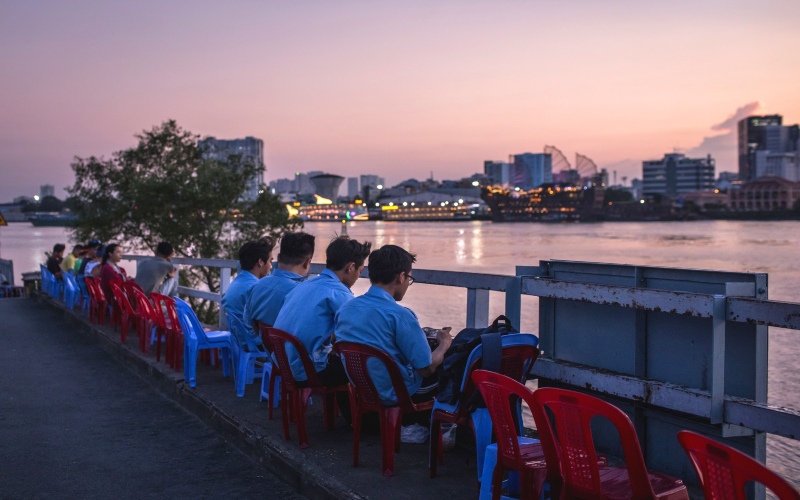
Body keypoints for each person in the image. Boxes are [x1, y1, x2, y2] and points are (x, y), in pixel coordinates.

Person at [334, 245, 452, 436]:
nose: (407, 284)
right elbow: (426, 368)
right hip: (397, 393)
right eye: (409, 279)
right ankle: (447, 432)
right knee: (452, 368)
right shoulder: (401, 315)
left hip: (362, 388)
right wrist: (444, 343)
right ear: (401, 277)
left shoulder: (346, 308)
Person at [272, 236, 371, 416]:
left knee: (339, 354)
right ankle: (362, 419)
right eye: (360, 271)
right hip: (306, 371)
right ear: (350, 267)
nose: (358, 276)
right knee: (363, 362)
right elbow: (363, 330)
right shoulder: (338, 293)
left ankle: (351, 415)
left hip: (283, 364)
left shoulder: (305, 284)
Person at [244, 231, 316, 337]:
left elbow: (247, 322)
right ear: (306, 263)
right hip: (290, 352)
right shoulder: (303, 294)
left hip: (267, 348)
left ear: (278, 257)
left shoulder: (257, 286)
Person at [221, 238, 275, 347]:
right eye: (270, 261)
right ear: (260, 262)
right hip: (251, 342)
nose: (271, 266)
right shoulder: (255, 287)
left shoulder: (236, 282)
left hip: (238, 338)